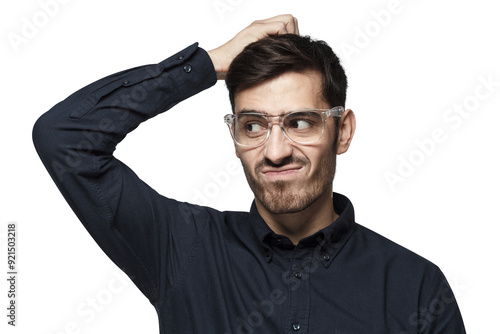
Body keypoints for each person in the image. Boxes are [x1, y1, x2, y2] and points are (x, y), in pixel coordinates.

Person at [33, 14, 466, 334]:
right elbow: (63, 138)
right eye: (253, 126)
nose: (275, 152)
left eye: (300, 122)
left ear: (343, 131)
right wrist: (210, 64)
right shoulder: (182, 248)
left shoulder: (417, 288)